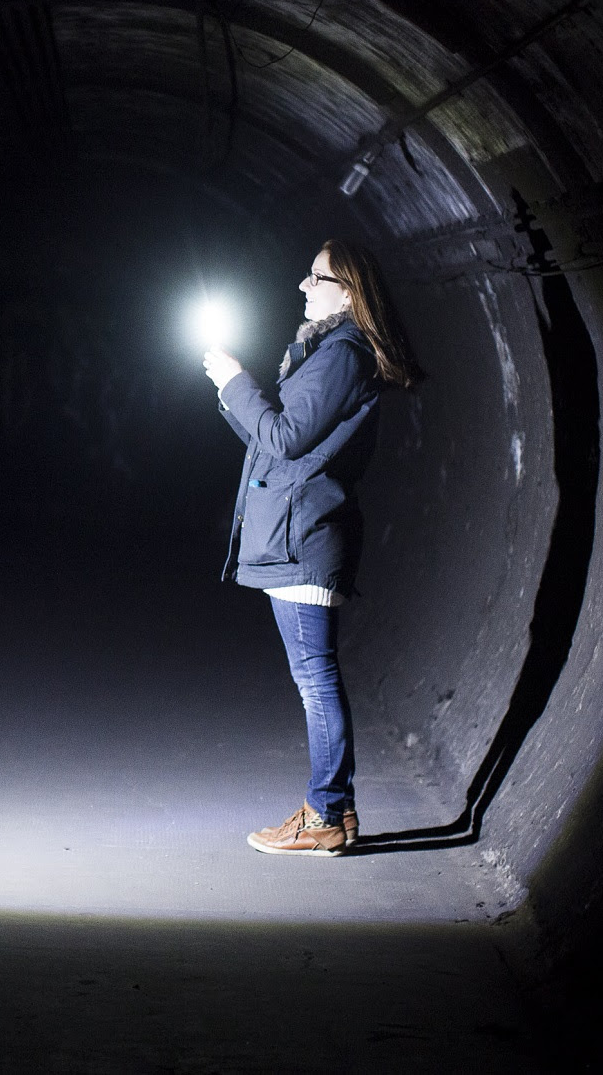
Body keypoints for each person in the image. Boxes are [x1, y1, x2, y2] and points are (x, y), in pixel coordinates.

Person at [203, 239, 421, 857]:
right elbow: (271, 442)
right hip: (298, 528)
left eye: (315, 277)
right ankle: (337, 813)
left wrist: (238, 383)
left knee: (315, 679)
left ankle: (325, 814)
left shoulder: (343, 352)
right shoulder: (329, 350)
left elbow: (286, 436)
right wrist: (230, 390)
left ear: (349, 290)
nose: (303, 286)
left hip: (305, 533)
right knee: (314, 675)